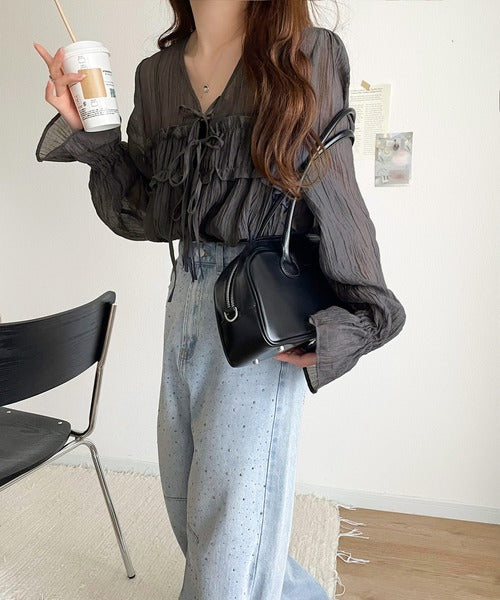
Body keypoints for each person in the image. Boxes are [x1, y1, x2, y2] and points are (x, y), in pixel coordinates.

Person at [34, 1, 406, 598]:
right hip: (184, 301)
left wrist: (363, 314)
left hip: (258, 313)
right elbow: (145, 214)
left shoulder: (307, 54)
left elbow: (334, 192)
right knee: (191, 508)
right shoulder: (157, 75)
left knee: (230, 541)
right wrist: (92, 134)